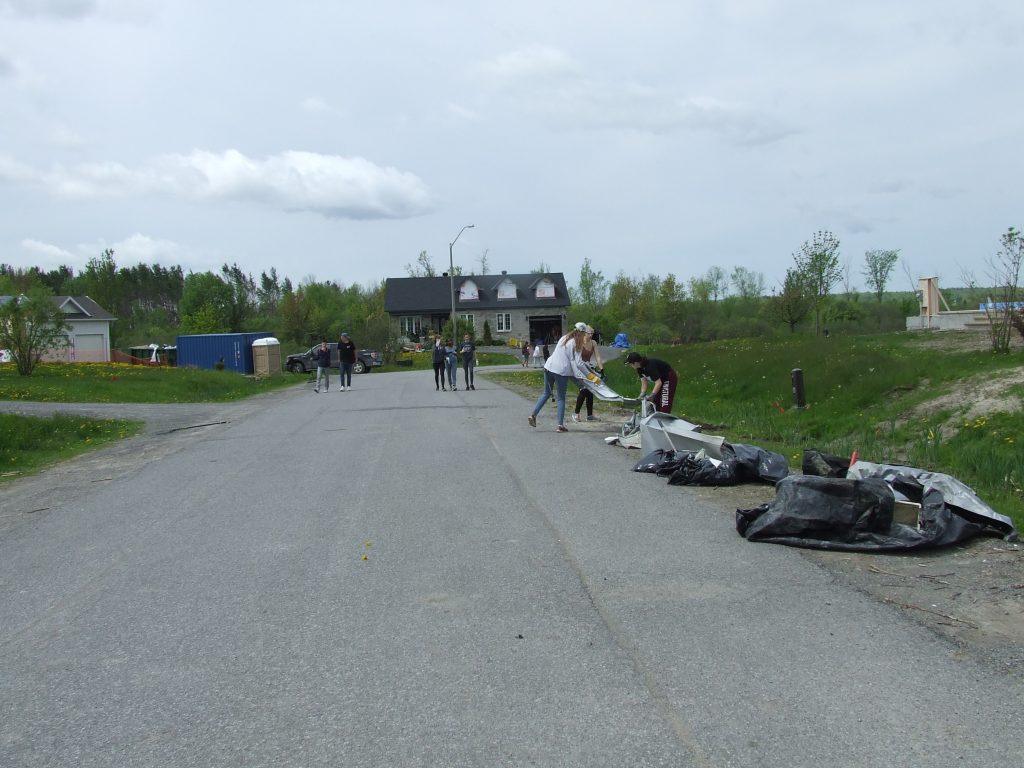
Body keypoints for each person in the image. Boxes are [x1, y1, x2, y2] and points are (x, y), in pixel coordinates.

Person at [527, 322, 588, 433]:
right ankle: (560, 425)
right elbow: (577, 363)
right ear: (582, 333)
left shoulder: (564, 338)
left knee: (546, 393)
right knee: (561, 398)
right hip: (561, 371)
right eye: (584, 333)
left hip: (549, 367)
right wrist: (586, 375)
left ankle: (533, 415)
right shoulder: (576, 343)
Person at [572, 325, 604, 422]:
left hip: (588, 368)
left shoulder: (593, 343)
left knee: (590, 390)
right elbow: (576, 359)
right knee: (584, 389)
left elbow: (597, 356)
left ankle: (589, 415)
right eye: (589, 333)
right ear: (584, 333)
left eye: (592, 334)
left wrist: (602, 369)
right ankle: (576, 414)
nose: (591, 335)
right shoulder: (580, 342)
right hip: (579, 368)